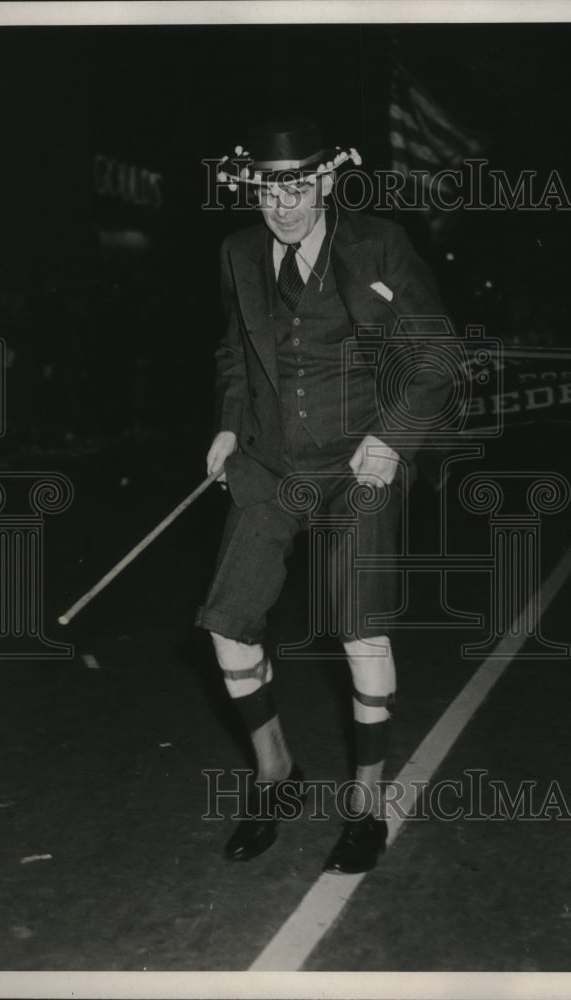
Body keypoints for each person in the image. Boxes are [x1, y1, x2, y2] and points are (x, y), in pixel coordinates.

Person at [196, 118, 453, 874]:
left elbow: (438, 356)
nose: (281, 208)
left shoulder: (378, 244)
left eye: (297, 190)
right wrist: (227, 425)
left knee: (359, 635)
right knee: (227, 625)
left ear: (329, 182)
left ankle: (366, 806)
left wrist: (393, 438)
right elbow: (236, 351)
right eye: (267, 192)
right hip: (271, 465)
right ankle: (276, 773)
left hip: (358, 467)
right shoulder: (238, 252)